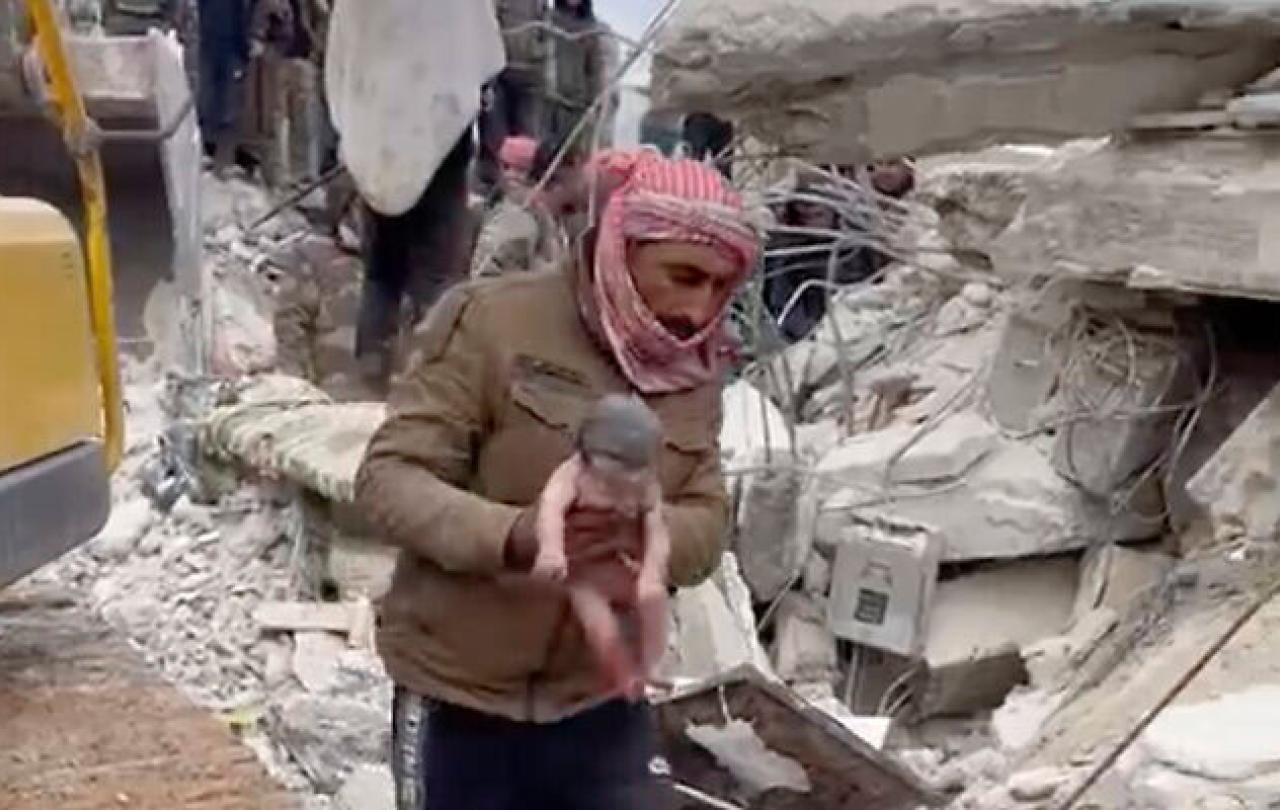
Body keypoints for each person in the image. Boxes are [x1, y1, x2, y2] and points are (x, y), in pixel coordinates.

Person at [354, 153, 761, 809]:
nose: (697, 309)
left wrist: (645, 534)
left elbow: (707, 519)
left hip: (599, 702)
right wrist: (518, 534)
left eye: (720, 288)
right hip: (461, 698)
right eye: (683, 277)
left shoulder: (695, 370)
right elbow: (389, 480)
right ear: (620, 245)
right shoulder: (493, 322)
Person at [325, 0, 504, 393]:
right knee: (433, 273)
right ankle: (424, 382)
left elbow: (340, 66)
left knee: (382, 271)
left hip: (378, 145)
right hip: (441, 140)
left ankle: (371, 375)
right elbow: (486, 62)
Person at [479, 0, 548, 195]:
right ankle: (491, 193)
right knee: (495, 140)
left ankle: (522, 196)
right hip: (499, 74)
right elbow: (487, 27)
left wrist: (539, 56)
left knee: (526, 145)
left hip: (529, 77)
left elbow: (544, 31)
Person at [248, 0, 320, 189]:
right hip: (277, 60)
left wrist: (316, 48)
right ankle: (275, 175)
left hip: (303, 59)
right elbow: (260, 19)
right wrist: (261, 43)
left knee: (303, 120)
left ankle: (302, 175)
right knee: (274, 120)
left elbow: (317, 20)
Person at [543, 0, 606, 151]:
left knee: (571, 156)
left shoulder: (590, 28)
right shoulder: (548, 20)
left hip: (576, 105)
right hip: (547, 100)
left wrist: (595, 103)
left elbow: (595, 69)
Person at [196, 0, 251, 167]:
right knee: (214, 98)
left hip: (221, 42)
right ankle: (210, 147)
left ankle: (215, 149)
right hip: (217, 42)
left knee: (219, 98)